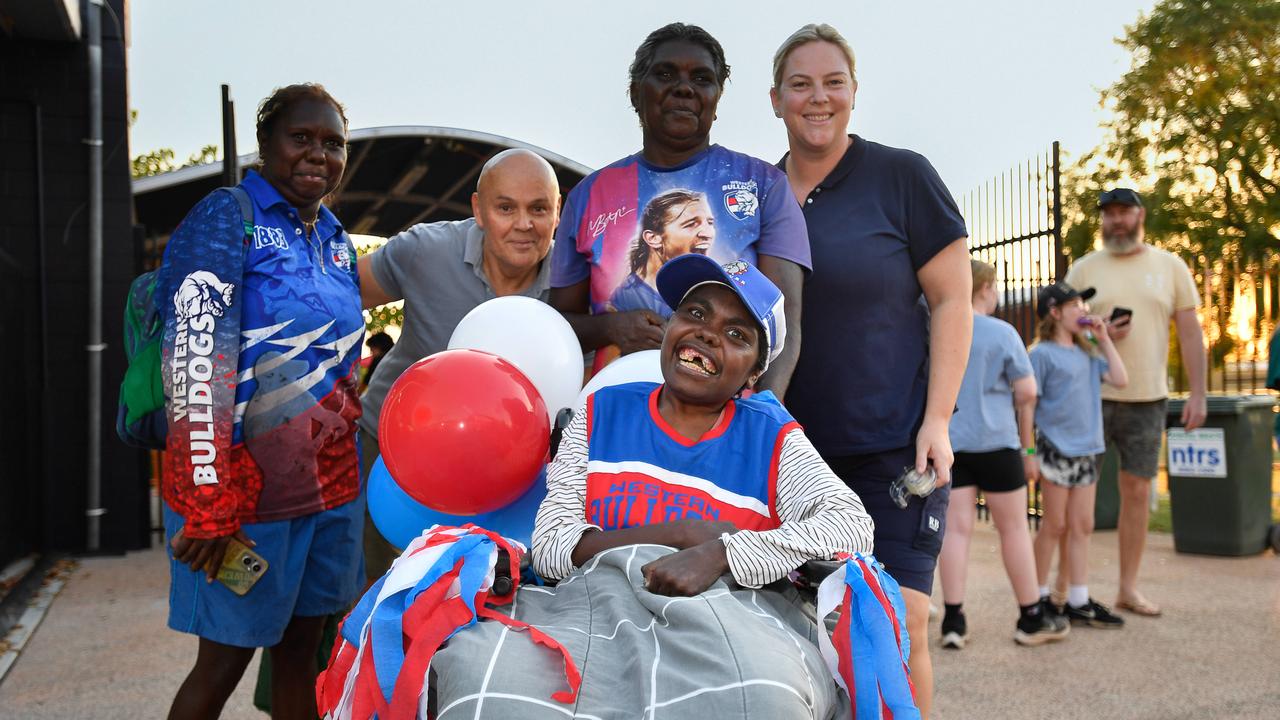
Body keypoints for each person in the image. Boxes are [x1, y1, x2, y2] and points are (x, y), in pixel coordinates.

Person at [430, 255, 875, 718]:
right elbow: (552, 546)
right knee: (481, 682)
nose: (707, 333)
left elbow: (851, 526)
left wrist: (721, 553)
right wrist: (681, 535)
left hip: (727, 625)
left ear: (753, 374)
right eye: (696, 313)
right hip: (590, 610)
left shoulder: (772, 436)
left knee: (763, 699)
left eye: (736, 334)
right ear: (671, 325)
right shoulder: (601, 411)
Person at [769, 23, 972, 716]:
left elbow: (952, 300)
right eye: (800, 84)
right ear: (776, 99)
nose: (817, 98)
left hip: (894, 450)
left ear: (854, 93)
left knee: (899, 621)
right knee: (799, 628)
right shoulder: (758, 196)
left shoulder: (902, 176)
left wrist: (939, 419)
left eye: (832, 82)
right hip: (789, 456)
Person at [159, 84, 363, 720]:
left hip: (330, 491)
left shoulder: (334, 236)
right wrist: (206, 497)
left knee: (303, 661)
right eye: (302, 138)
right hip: (244, 497)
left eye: (333, 144)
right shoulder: (227, 215)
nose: (319, 155)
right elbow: (193, 362)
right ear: (266, 144)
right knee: (220, 666)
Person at [550, 22, 810, 396]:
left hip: (726, 419)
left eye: (701, 79)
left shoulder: (764, 185)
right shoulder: (588, 197)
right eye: (666, 74)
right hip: (614, 409)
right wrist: (612, 328)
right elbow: (557, 324)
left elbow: (784, 323)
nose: (684, 87)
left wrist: (762, 416)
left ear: (716, 100)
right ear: (636, 93)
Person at [356, 148, 561, 577]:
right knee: (365, 590)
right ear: (479, 210)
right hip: (392, 451)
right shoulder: (425, 250)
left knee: (481, 598)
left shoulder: (574, 281)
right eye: (506, 207)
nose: (524, 224)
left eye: (538, 208)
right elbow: (335, 301)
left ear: (557, 214)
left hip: (510, 471)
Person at [1063, 187, 1206, 617]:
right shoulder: (1084, 268)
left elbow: (1191, 332)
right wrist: (1096, 333)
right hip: (1091, 396)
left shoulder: (1170, 266)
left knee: (1138, 492)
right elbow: (1061, 328)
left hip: (1147, 397)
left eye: (1123, 212)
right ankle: (1068, 588)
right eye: (1108, 214)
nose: (1115, 220)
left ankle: (1128, 587)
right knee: (1075, 493)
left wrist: (1198, 393)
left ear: (1140, 215)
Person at [937, 260, 1069, 648]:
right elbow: (1027, 392)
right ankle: (1030, 615)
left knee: (955, 531)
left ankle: (953, 619)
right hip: (997, 442)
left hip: (953, 443)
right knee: (1013, 529)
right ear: (986, 288)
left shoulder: (940, 328)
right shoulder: (1002, 332)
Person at [1030, 283, 1129, 630]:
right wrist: (1029, 450)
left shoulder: (1088, 354)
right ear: (1055, 312)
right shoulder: (1041, 355)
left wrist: (1104, 339)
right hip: (1056, 449)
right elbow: (1028, 404)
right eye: (1075, 305)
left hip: (1087, 450)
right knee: (1054, 525)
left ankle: (1077, 599)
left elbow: (1121, 378)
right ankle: (1038, 597)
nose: (1084, 311)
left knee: (1082, 525)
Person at [606, 188, 714, 315]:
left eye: (710, 223)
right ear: (653, 238)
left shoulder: (704, 293)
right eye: (691, 224)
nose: (708, 233)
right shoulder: (626, 301)